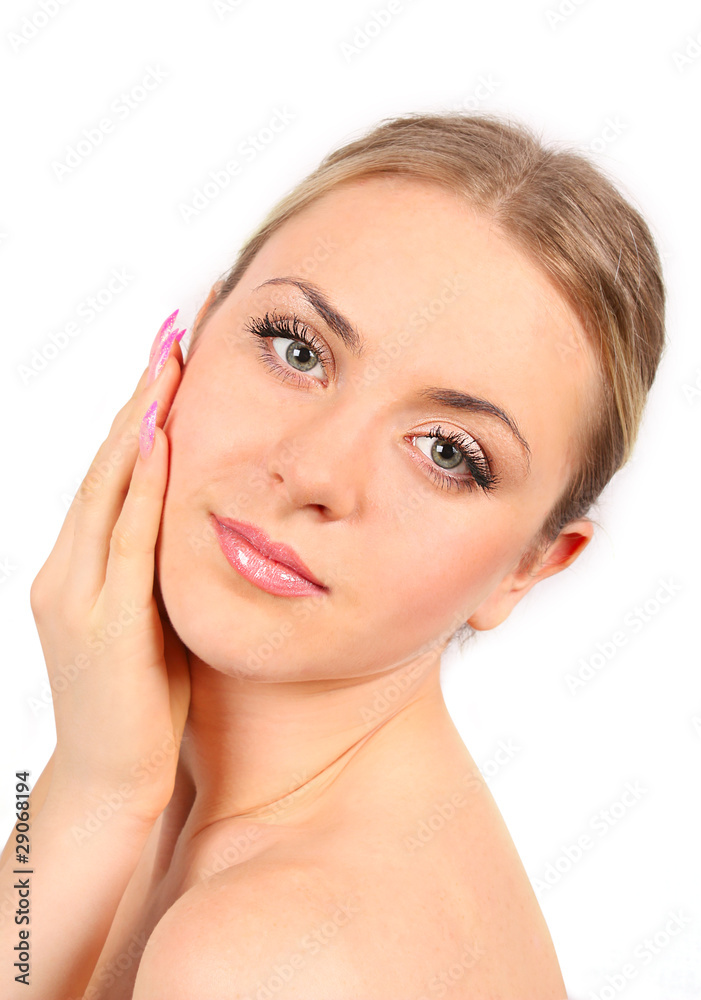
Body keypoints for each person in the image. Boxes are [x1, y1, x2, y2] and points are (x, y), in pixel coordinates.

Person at [1, 111, 665, 999]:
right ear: (190, 342)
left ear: (530, 567)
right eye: (296, 348)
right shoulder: (141, 782)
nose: (313, 469)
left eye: (445, 452)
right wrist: (91, 788)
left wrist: (92, 795)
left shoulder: (268, 953)